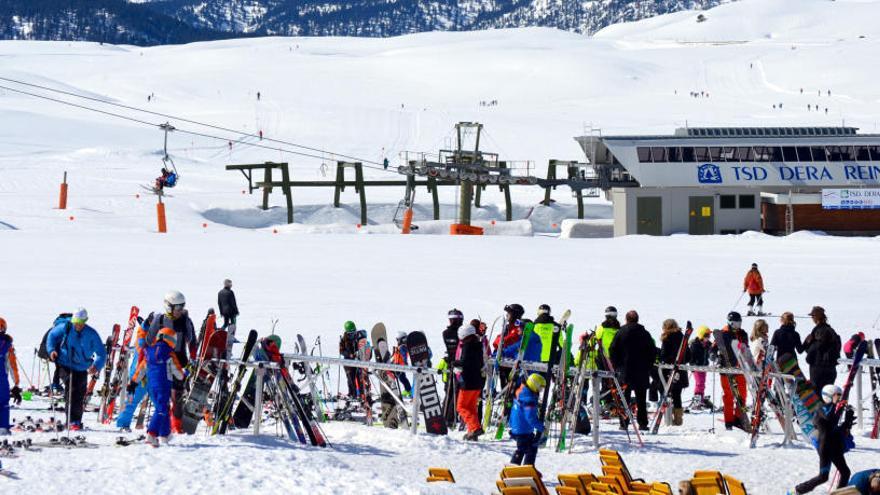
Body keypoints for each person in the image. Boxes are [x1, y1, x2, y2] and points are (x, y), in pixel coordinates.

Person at [46, 308, 107, 430]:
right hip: (64, 363)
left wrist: (96, 366)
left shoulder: (91, 334)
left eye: (80, 322)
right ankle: (70, 420)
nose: (77, 325)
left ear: (85, 321)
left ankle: (76, 421)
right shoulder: (66, 327)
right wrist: (51, 350)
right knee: (72, 388)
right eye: (75, 322)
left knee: (79, 393)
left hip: (81, 367)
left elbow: (101, 353)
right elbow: (51, 336)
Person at [147, 291, 197, 434]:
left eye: (182, 307)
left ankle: (176, 424)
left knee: (178, 395)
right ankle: (162, 424)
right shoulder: (160, 320)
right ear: (169, 307)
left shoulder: (185, 321)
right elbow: (149, 341)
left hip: (180, 360)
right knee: (163, 395)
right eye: (178, 308)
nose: (180, 311)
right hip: (162, 361)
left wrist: (193, 358)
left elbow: (192, 341)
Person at [792, 384, 854, 493]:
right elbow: (829, 422)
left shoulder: (834, 408)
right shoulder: (821, 408)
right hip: (825, 447)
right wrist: (837, 406)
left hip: (834, 446)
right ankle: (797, 490)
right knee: (823, 477)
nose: (839, 398)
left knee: (845, 472)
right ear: (829, 396)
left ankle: (838, 493)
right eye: (837, 395)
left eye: (840, 395)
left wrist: (848, 420)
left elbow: (836, 427)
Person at [128, 325, 184, 446]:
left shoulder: (149, 351)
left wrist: (133, 382)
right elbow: (178, 373)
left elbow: (141, 369)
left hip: (151, 385)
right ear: (171, 340)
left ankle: (165, 434)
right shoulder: (169, 353)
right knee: (162, 409)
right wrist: (184, 374)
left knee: (163, 408)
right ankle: (151, 434)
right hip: (163, 385)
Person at [609, 310, 656, 430]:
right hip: (641, 371)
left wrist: (616, 365)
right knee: (641, 399)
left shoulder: (621, 332)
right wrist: (648, 366)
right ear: (637, 319)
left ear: (626, 319)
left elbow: (612, 349)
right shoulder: (644, 333)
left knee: (624, 398)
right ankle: (643, 423)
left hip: (625, 371)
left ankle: (624, 422)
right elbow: (652, 350)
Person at [716, 311, 749, 430]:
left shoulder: (743, 333)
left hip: (740, 369)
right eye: (736, 323)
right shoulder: (723, 333)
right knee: (728, 396)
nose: (738, 325)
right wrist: (714, 356)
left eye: (740, 323)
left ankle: (739, 418)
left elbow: (746, 349)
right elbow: (714, 348)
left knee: (742, 395)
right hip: (726, 368)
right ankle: (728, 421)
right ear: (730, 322)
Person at [116, 315, 149, 432]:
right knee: (131, 401)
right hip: (138, 374)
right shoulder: (142, 338)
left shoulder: (149, 336)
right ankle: (122, 424)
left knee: (161, 402)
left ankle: (162, 428)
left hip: (151, 374)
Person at [453, 323, 484, 440]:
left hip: (468, 382)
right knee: (471, 407)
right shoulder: (478, 345)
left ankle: (475, 428)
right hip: (477, 381)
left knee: (461, 406)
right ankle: (472, 432)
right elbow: (478, 363)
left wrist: (454, 362)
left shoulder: (467, 346)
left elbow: (465, 362)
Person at [658, 319, 691, 425]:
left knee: (666, 393)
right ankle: (678, 420)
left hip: (669, 370)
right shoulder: (682, 337)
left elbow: (663, 355)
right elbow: (689, 355)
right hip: (681, 370)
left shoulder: (667, 337)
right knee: (677, 395)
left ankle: (668, 419)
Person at [509, 374, 546, 466]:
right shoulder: (528, 399)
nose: (541, 391)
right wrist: (541, 427)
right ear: (535, 385)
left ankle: (527, 467)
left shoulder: (524, 393)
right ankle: (514, 467)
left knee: (531, 448)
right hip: (522, 429)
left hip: (521, 427)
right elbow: (530, 418)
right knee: (524, 448)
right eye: (540, 388)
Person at [804, 306, 841, 392]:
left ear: (816, 317)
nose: (812, 318)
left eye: (812, 316)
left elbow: (816, 348)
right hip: (831, 368)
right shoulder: (831, 330)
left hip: (818, 369)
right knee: (829, 395)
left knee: (818, 395)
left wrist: (808, 348)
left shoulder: (818, 331)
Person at [493, 304, 526, 390]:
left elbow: (505, 341)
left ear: (514, 315)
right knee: (504, 383)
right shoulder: (508, 327)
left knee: (511, 385)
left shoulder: (518, 329)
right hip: (504, 361)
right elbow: (496, 342)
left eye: (509, 314)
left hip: (512, 362)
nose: (507, 316)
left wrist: (501, 342)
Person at [441, 309, 463, 427]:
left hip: (451, 364)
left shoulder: (446, 333)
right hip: (458, 366)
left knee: (449, 392)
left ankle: (445, 416)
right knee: (455, 392)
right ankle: (449, 417)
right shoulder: (460, 333)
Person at [0, 318, 22, 435]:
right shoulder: (7, 345)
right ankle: (2, 427)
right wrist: (16, 384)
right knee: (3, 403)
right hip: (1, 381)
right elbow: (12, 366)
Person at [688, 325, 713, 411]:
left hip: (704, 367)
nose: (708, 337)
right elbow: (691, 357)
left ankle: (701, 399)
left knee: (702, 383)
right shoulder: (695, 345)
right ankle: (697, 400)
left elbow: (712, 350)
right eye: (706, 335)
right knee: (699, 383)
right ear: (702, 335)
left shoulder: (708, 344)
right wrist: (693, 365)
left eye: (709, 336)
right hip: (696, 367)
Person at [339, 321, 363, 399]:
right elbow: (341, 351)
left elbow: (362, 345)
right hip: (348, 362)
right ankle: (352, 394)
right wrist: (349, 355)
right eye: (351, 333)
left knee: (359, 377)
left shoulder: (358, 337)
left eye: (354, 332)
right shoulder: (343, 340)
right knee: (351, 378)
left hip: (357, 360)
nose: (353, 334)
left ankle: (362, 393)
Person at [391, 331, 412, 397]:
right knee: (402, 378)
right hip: (398, 365)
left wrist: (405, 362)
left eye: (398, 340)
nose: (397, 341)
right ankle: (408, 390)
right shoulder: (401, 347)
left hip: (400, 366)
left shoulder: (402, 347)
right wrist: (392, 362)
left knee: (402, 378)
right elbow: (396, 356)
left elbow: (404, 355)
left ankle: (408, 390)